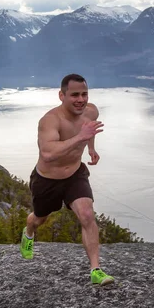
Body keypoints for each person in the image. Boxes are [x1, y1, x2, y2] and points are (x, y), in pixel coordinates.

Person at [20, 73, 114, 286]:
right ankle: (28, 232)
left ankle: (96, 270)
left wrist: (91, 148)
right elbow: (48, 153)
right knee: (39, 219)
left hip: (74, 174)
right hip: (47, 180)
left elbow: (90, 129)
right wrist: (81, 137)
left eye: (84, 94)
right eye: (74, 95)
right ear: (61, 95)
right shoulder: (50, 120)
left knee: (87, 214)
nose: (81, 99)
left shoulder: (90, 112)